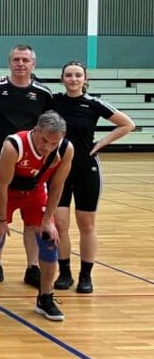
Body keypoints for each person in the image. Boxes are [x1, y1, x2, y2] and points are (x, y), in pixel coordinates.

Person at [0, 111, 74, 321]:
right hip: (5, 189)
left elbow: (57, 185)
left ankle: (45, 297)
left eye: (53, 143)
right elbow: (2, 185)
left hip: (35, 190)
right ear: (36, 130)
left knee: (49, 239)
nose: (48, 147)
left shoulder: (66, 149)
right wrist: (0, 220)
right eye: (44, 141)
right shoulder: (14, 145)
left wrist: (48, 220)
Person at [0, 45, 54, 287]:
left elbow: (52, 126)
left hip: (33, 168)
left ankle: (33, 267)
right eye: (16, 59)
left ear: (33, 64)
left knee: (34, 222)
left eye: (25, 60)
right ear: (9, 63)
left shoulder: (43, 93)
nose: (20, 64)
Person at [52, 62, 135, 293]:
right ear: (62, 79)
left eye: (78, 75)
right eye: (69, 75)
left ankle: (85, 275)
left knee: (86, 224)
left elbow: (127, 124)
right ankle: (65, 273)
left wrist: (101, 143)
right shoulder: (54, 101)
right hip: (58, 169)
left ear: (85, 79)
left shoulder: (93, 103)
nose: (73, 79)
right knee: (59, 224)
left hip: (86, 169)